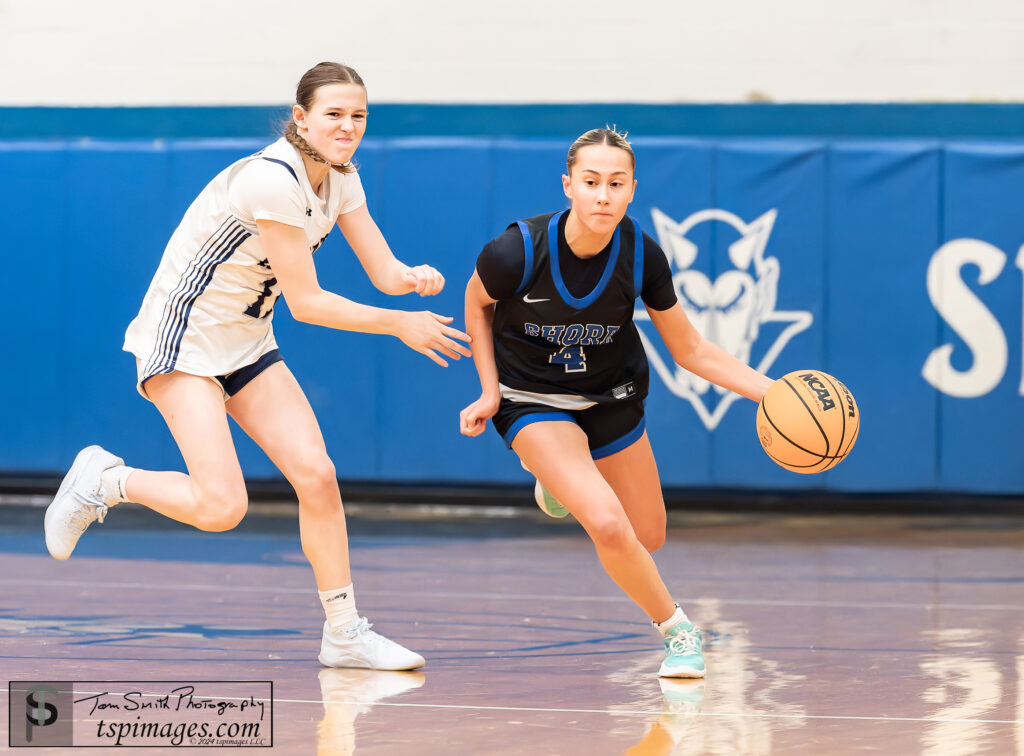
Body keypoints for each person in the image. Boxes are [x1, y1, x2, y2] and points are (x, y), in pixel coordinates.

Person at [44, 62, 472, 671]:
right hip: (184, 341)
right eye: (334, 114)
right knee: (223, 508)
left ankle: (345, 633)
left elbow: (382, 269)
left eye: (358, 116)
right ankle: (105, 481)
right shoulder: (270, 180)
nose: (348, 126)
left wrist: (410, 280)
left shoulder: (342, 178)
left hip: (245, 342)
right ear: (301, 118)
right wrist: (397, 323)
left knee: (318, 477)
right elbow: (308, 303)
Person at [459, 127, 773, 678]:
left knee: (646, 536)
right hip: (532, 399)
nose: (603, 194)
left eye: (616, 183)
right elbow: (476, 301)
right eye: (591, 182)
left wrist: (773, 392)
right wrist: (489, 389)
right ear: (568, 186)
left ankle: (558, 485)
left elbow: (691, 349)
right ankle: (679, 632)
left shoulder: (641, 256)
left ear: (631, 190)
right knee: (606, 523)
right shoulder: (517, 249)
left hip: (612, 395)